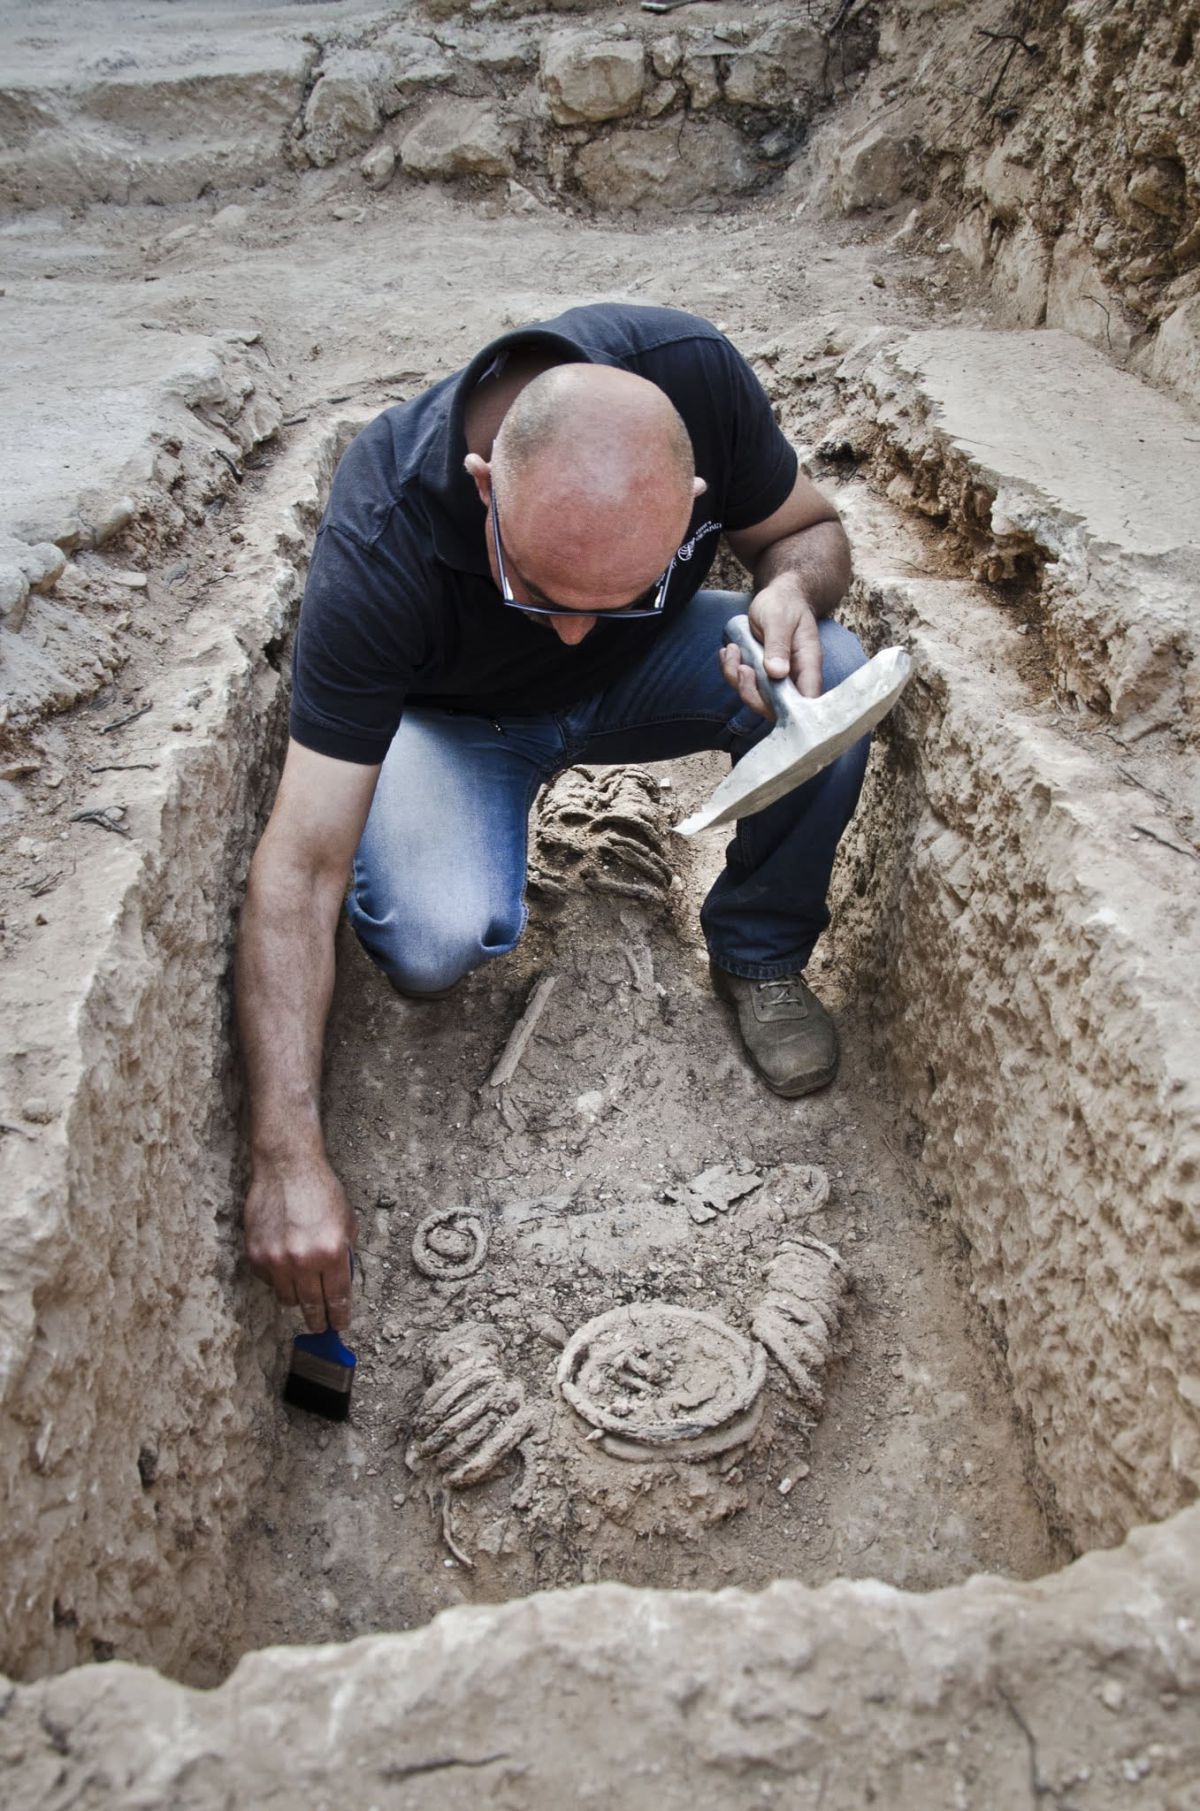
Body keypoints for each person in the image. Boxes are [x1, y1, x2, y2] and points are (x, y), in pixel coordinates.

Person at [237, 302, 870, 1333]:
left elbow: (806, 529)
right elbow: (301, 863)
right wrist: (285, 1156)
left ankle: (758, 950)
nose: (573, 631)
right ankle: (481, 815)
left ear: (691, 497)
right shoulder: (385, 530)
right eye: (537, 590)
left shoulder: (696, 379)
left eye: (617, 591)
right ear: (485, 482)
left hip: (652, 679)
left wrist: (788, 594)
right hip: (458, 724)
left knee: (831, 672)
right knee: (436, 940)